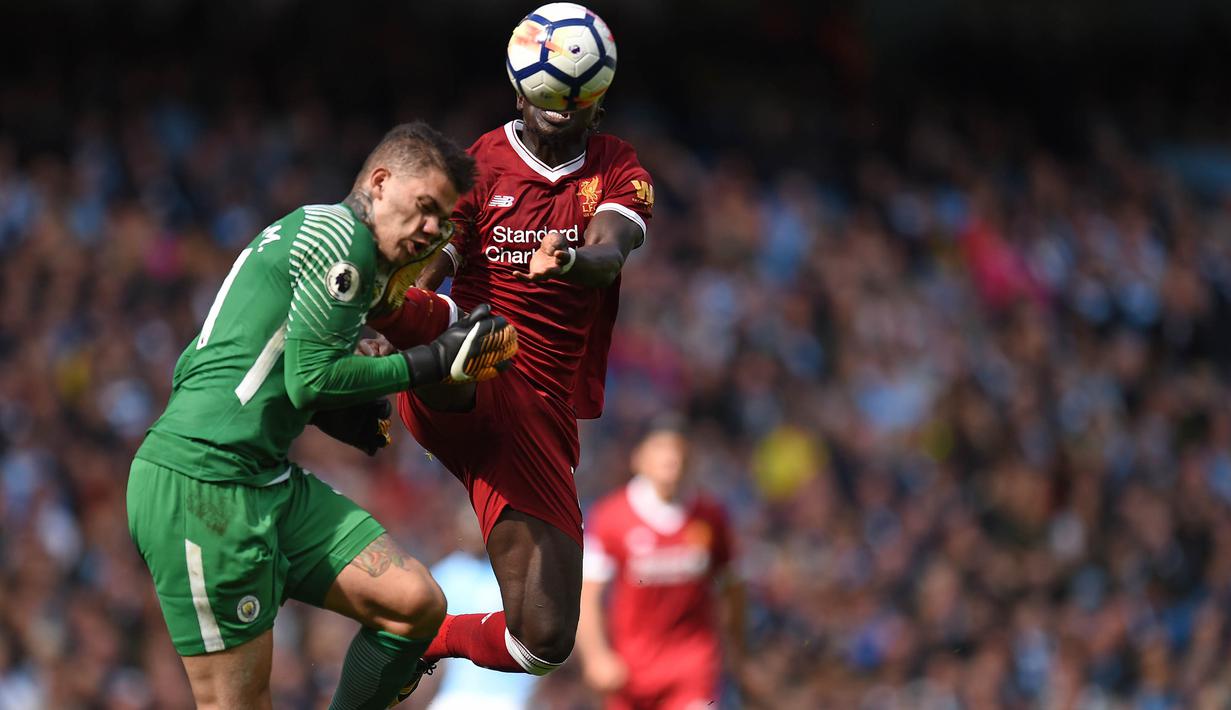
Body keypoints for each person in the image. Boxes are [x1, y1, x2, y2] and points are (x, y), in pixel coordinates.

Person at [126, 121, 518, 710]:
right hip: (202, 486)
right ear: (380, 183)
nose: (433, 228)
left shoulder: (328, 239)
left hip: (265, 478)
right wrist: (432, 361)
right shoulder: (342, 241)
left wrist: (345, 403)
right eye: (425, 207)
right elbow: (310, 381)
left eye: (442, 217)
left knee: (414, 604)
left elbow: (257, 368)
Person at [365, 29, 654, 679]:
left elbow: (610, 252)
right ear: (519, 91)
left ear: (596, 100)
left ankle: (416, 641)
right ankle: (369, 301)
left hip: (539, 416)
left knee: (544, 641)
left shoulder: (616, 166)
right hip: (473, 369)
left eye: (572, 103)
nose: (558, 114)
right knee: (476, 339)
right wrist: (397, 301)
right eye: (545, 97)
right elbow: (436, 258)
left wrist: (572, 260)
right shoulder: (479, 165)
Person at [575, 419, 747, 710]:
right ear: (639, 458)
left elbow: (733, 585)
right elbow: (587, 595)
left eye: (679, 449)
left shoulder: (711, 516)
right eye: (662, 448)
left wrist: (736, 650)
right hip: (630, 670)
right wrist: (596, 656)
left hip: (692, 664)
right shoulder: (611, 517)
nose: (672, 458)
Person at [420, 507, 541, 710]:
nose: (475, 532)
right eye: (468, 526)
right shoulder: (444, 576)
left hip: (510, 698)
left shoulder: (520, 574)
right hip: (456, 696)